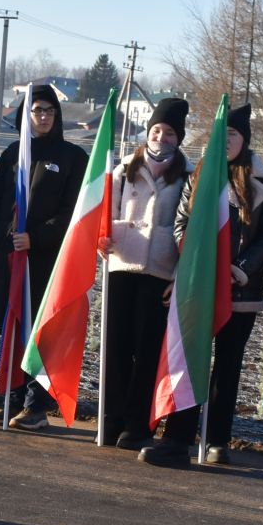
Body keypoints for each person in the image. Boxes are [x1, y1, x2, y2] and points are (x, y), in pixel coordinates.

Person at [140, 102, 263, 466]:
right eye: (221, 135)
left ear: (244, 140)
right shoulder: (198, 178)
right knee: (189, 360)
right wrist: (194, 266)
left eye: (232, 135)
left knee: (228, 367)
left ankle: (217, 440)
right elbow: (182, 224)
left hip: (241, 291)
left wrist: (242, 268)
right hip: (199, 288)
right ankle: (177, 439)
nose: (225, 141)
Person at [0, 83, 88, 428]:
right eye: (36, 111)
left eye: (49, 111)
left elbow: (73, 213)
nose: (43, 117)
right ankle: (11, 402)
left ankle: (35, 406)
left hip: (44, 262)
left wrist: (36, 237)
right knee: (10, 329)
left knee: (39, 331)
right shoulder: (13, 155)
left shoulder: (72, 158)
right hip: (9, 259)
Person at [99, 98, 190, 451]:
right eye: (156, 130)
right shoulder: (124, 168)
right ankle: (111, 418)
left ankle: (138, 424)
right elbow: (109, 211)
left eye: (169, 132)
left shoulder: (187, 175)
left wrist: (178, 274)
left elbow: (190, 230)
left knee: (147, 350)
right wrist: (107, 236)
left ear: (178, 138)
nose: (161, 137)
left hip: (160, 272)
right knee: (115, 346)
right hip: (121, 264)